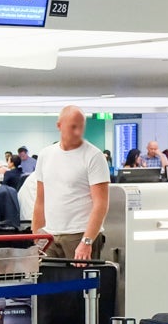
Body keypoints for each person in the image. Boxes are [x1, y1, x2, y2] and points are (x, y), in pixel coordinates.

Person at [30, 106, 110, 262]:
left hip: (80, 234)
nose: (78, 132)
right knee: (47, 277)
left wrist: (87, 241)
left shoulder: (94, 156)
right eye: (73, 127)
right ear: (59, 125)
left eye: (81, 127)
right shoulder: (46, 155)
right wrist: (36, 235)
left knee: (79, 278)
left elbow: (101, 204)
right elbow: (40, 200)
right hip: (49, 234)